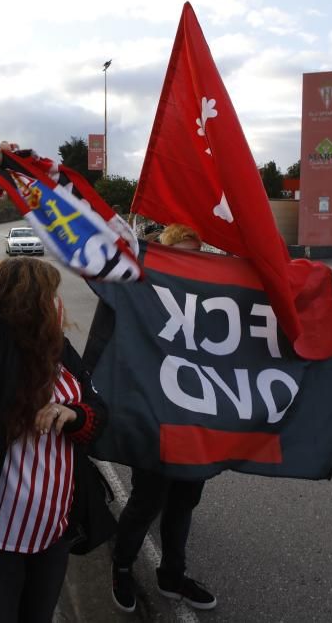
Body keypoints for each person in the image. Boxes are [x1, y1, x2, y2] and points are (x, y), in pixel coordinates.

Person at [0, 143, 108, 622]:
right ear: (28, 306)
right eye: (51, 299)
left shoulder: (62, 353)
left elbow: (99, 414)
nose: (61, 309)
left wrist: (73, 415)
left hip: (52, 537)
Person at [88, 223, 217, 613]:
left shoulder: (209, 296)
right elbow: (105, 335)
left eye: (197, 253)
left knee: (184, 501)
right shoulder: (138, 289)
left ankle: (172, 574)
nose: (191, 261)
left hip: (196, 423)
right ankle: (123, 567)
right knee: (147, 501)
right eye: (183, 254)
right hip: (155, 422)